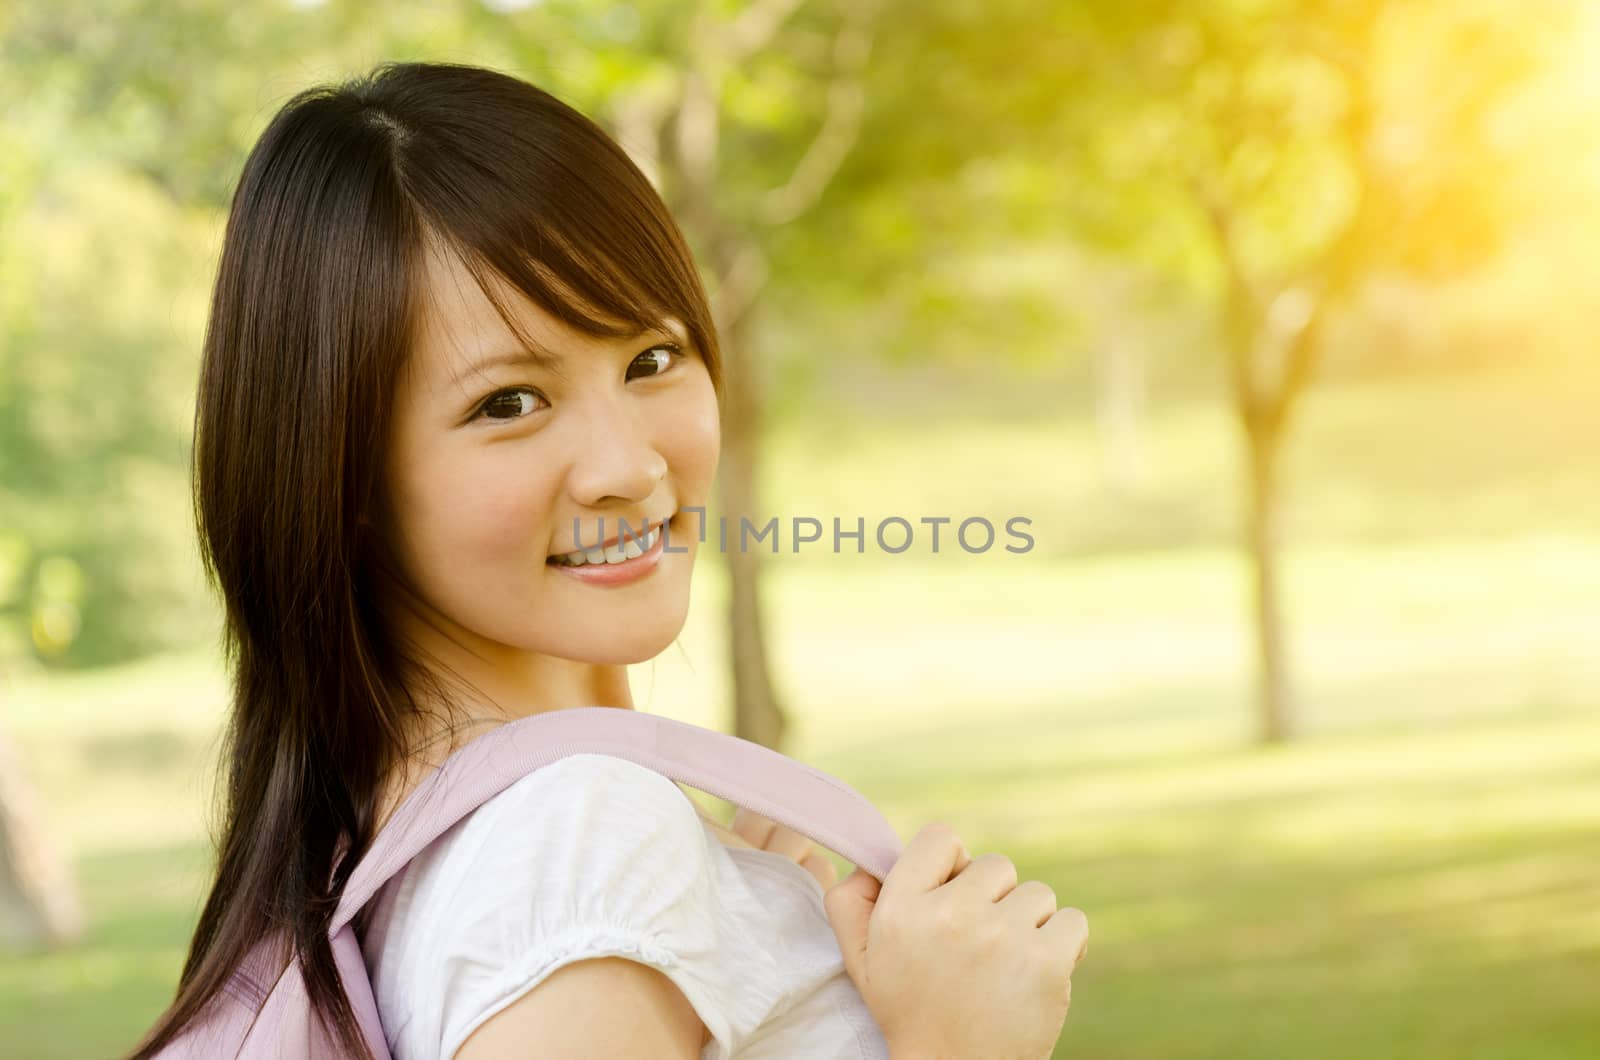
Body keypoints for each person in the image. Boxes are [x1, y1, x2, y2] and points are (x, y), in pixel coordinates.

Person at [129, 61, 1089, 1060]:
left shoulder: (417, 848)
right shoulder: (579, 837)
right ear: (344, 481)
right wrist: (959, 1046)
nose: (627, 467)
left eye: (650, 360)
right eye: (508, 402)